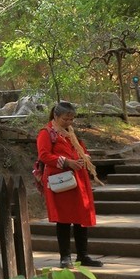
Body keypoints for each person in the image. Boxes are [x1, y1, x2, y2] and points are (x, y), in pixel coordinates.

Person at [36, 101, 103, 269]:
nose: (69, 122)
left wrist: (83, 158)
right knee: (64, 219)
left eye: (71, 119)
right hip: (61, 180)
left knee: (81, 217)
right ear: (56, 116)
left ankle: (83, 255)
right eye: (65, 119)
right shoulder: (46, 133)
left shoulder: (70, 133)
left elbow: (82, 150)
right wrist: (67, 162)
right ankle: (65, 257)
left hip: (78, 179)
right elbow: (44, 155)